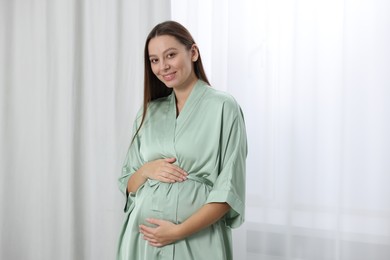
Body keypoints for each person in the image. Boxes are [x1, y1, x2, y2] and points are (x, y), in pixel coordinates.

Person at [117, 20, 247, 260]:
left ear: (193, 52)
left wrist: (177, 232)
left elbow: (229, 191)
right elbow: (128, 184)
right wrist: (147, 169)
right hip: (144, 241)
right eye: (154, 60)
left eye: (171, 55)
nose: (163, 66)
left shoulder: (223, 107)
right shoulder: (148, 112)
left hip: (198, 240)